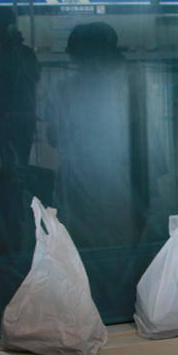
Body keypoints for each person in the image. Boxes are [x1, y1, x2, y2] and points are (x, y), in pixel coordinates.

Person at [46, 22, 152, 248]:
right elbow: (137, 130)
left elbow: (53, 138)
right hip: (118, 178)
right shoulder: (122, 86)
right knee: (119, 241)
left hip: (76, 178)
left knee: (80, 244)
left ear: (74, 54)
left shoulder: (62, 90)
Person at [0, 7, 40, 170]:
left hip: (12, 117)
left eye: (1, 24)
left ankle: (16, 192)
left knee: (13, 163)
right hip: (14, 117)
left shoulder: (0, 55)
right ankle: (20, 192)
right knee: (18, 163)